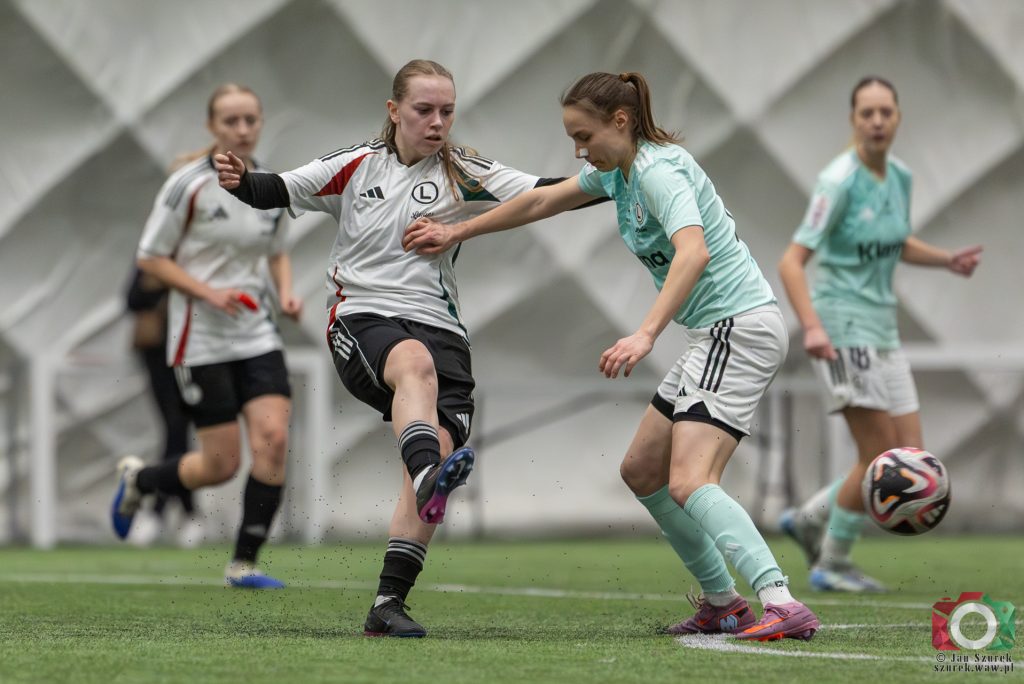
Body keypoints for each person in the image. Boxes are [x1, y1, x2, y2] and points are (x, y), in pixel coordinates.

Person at [403, 71, 820, 641]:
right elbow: (542, 199)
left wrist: (645, 334)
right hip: (713, 334)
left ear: (620, 122)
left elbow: (693, 253)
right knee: (642, 470)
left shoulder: (659, 171)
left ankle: (780, 600)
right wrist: (459, 232)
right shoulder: (617, 173)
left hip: (737, 330)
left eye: (584, 136)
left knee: (691, 480)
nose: (579, 150)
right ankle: (724, 604)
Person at [214, 59, 598, 637]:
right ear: (394, 111)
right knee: (414, 373)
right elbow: (276, 189)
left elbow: (547, 195)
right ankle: (426, 475)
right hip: (363, 319)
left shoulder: (464, 172)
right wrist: (241, 179)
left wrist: (619, 174)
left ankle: (387, 603)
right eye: (424, 110)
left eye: (447, 111)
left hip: (444, 331)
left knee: (436, 447)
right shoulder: (355, 165)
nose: (437, 122)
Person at [776, 76, 981, 592]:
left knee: (911, 454)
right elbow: (791, 262)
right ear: (853, 120)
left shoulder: (901, 177)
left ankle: (808, 518)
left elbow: (897, 241)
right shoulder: (837, 181)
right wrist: (813, 328)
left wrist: (946, 260)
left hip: (882, 329)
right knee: (878, 458)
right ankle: (832, 562)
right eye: (867, 113)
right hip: (842, 329)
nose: (877, 121)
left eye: (885, 112)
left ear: (898, 118)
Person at [111, 83, 302, 589]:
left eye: (250, 119)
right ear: (212, 127)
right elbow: (150, 258)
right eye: (231, 121)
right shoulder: (186, 185)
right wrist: (208, 293)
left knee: (274, 441)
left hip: (257, 334)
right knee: (221, 465)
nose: (242, 129)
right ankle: (141, 480)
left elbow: (277, 251)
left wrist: (286, 293)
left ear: (261, 123)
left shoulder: (271, 187)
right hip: (200, 340)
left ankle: (243, 564)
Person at [124, 267, 202, 546]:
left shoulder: (197, 257)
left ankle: (161, 509)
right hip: (160, 353)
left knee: (178, 430)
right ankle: (187, 512)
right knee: (175, 429)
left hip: (196, 352)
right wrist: (164, 281)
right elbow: (132, 299)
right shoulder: (154, 255)